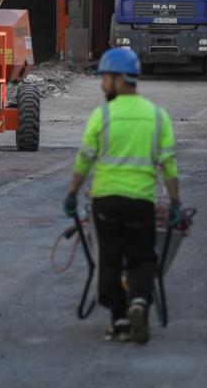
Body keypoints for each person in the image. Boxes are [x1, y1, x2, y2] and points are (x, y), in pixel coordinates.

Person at [65, 47, 180, 345]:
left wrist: (72, 193)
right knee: (143, 256)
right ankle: (140, 302)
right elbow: (168, 164)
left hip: (106, 202)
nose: (102, 85)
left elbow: (84, 160)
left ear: (118, 79)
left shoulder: (102, 115)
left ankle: (118, 318)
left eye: (104, 78)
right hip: (141, 202)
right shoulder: (157, 116)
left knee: (110, 260)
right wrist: (176, 201)